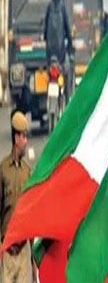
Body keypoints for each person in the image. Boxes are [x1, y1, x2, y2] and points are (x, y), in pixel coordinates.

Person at [1, 111, 35, 283]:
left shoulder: (27, 172)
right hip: (6, 251)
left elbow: (31, 213)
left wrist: (33, 259)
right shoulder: (3, 171)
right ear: (16, 139)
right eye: (23, 137)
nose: (26, 141)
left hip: (22, 251)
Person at [43, 0, 73, 73]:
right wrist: (70, 44)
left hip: (49, 52)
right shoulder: (62, 7)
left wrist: (45, 38)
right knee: (67, 70)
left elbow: (45, 29)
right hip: (60, 53)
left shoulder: (49, 6)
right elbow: (67, 28)